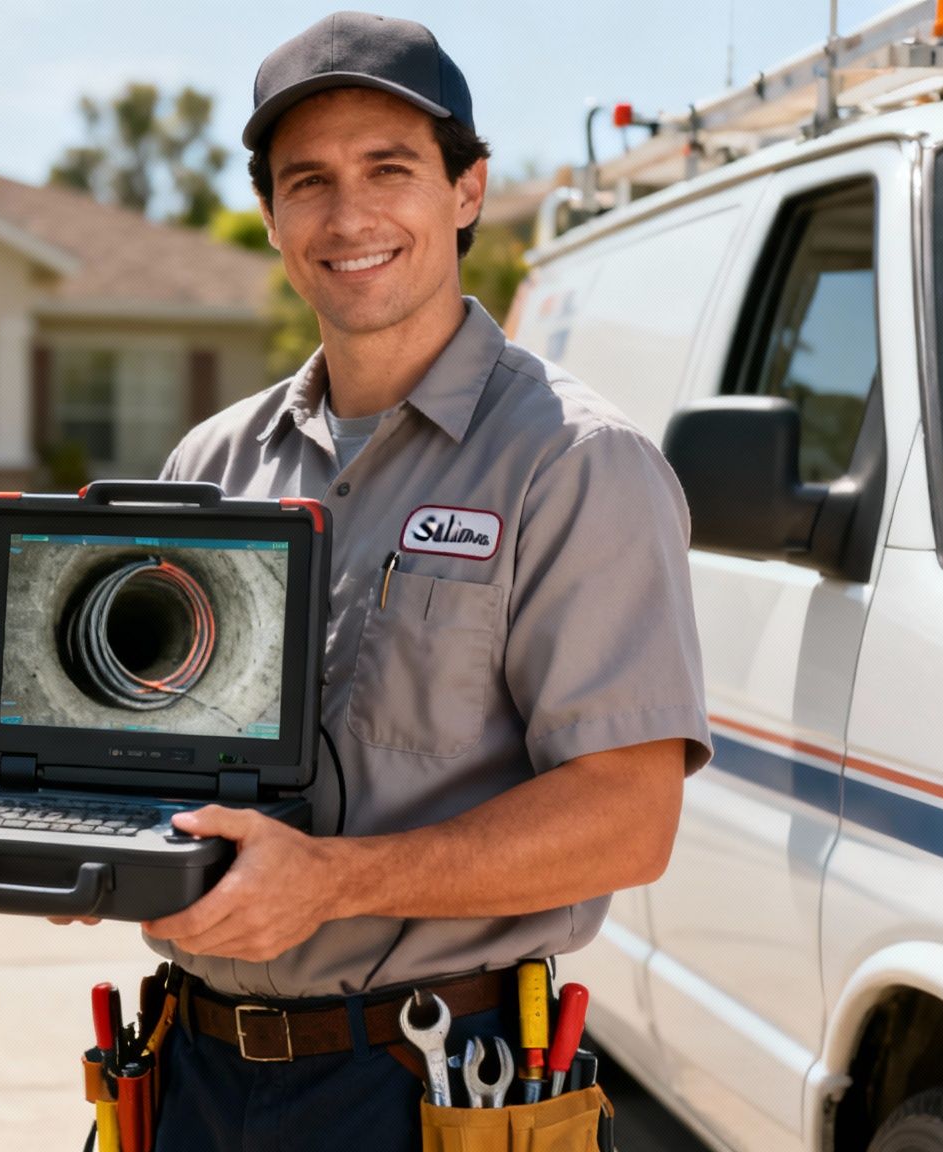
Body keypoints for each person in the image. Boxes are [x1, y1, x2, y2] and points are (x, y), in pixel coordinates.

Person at [53, 13, 713, 1150]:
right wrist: (51, 820)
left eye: (388, 170)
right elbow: (160, 755)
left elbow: (626, 818)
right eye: (305, 181)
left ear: (465, 190)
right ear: (269, 219)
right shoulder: (210, 467)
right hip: (187, 1079)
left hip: (431, 1086)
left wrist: (333, 883)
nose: (347, 216)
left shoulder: (570, 463)